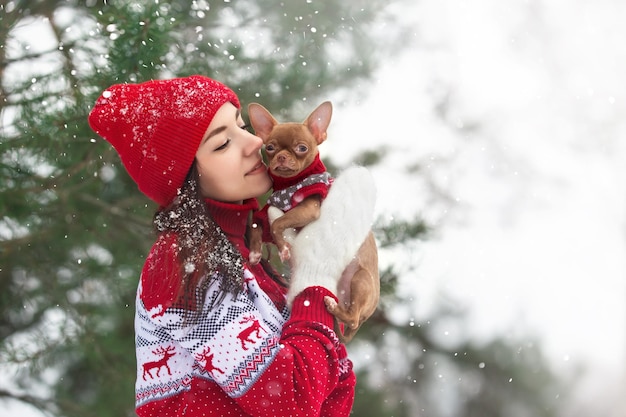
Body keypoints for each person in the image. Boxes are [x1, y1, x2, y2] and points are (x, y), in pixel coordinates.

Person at [88, 75, 373, 417]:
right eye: (223, 144)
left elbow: (333, 392)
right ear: (186, 178)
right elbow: (292, 403)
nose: (254, 142)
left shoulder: (244, 256)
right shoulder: (181, 265)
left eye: (241, 125)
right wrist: (317, 278)